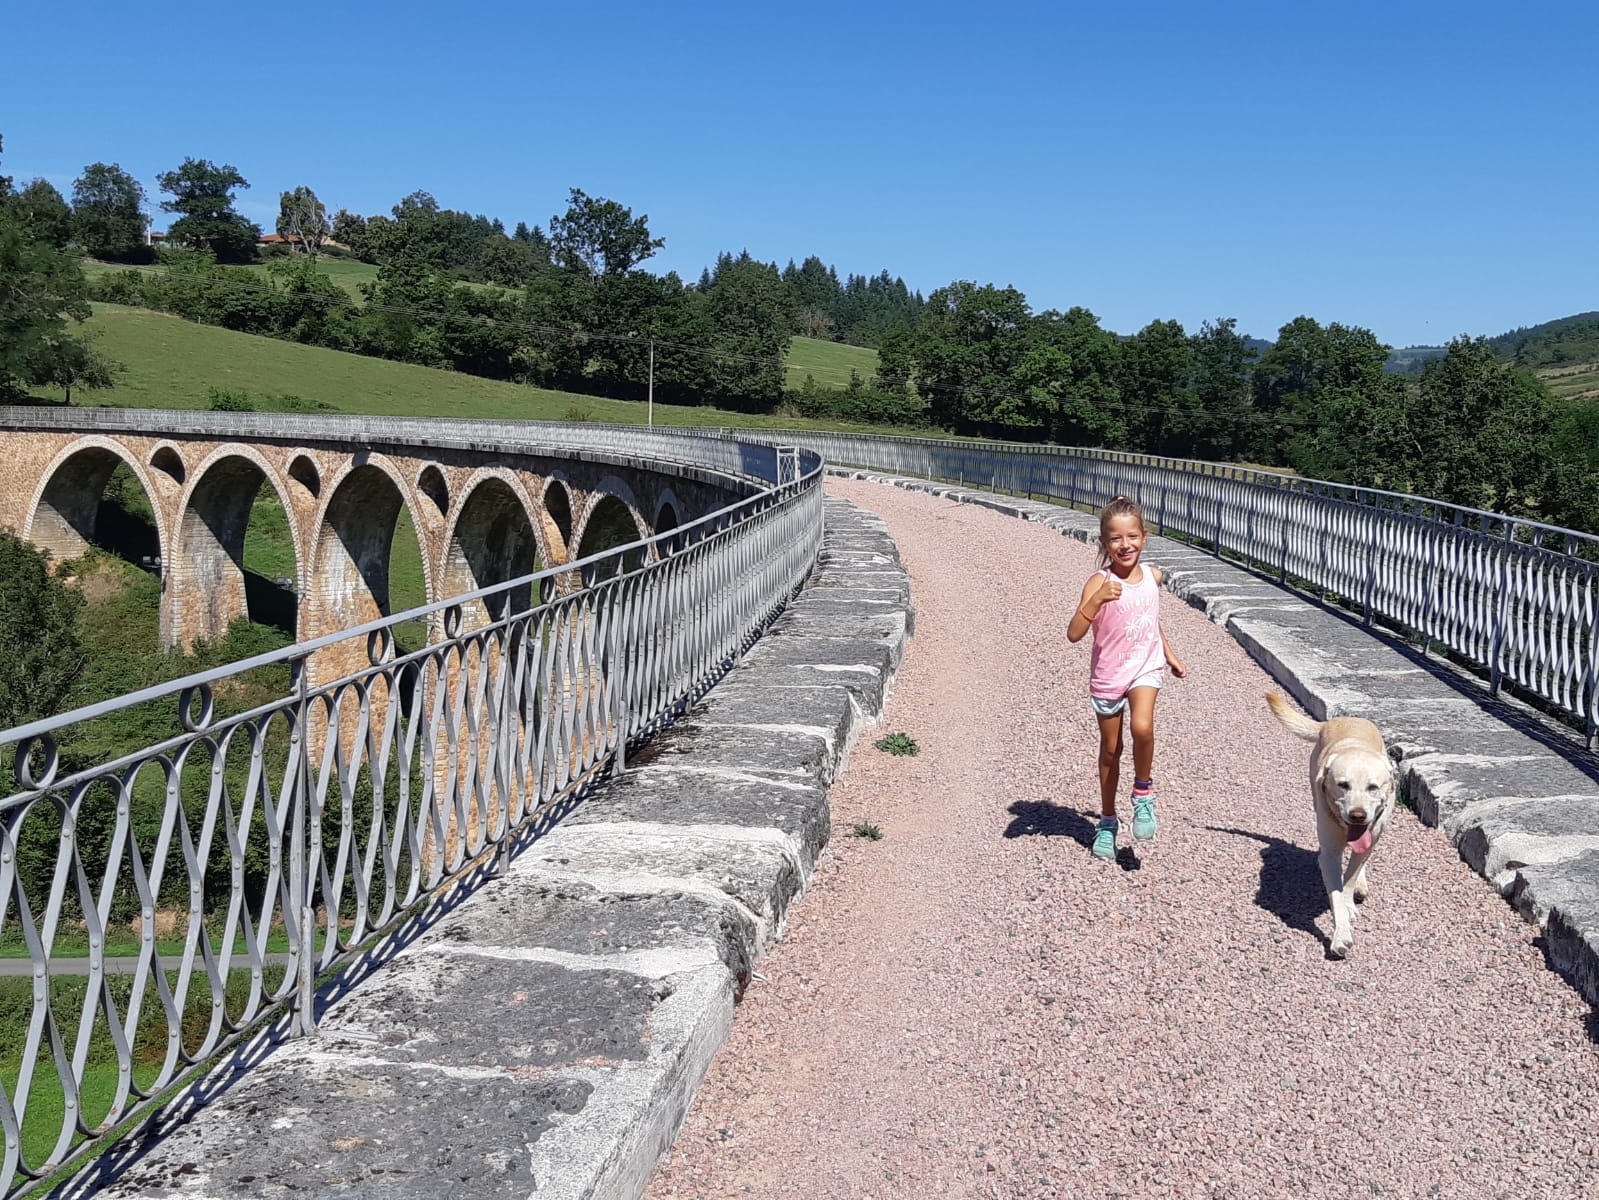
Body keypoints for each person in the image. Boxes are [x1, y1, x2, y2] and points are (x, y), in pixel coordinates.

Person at [1067, 496, 1188, 860]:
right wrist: (1097, 601)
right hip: (1108, 675)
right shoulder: (1098, 583)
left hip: (1144, 668)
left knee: (1143, 727)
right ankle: (1107, 821)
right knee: (1110, 750)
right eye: (1116, 539)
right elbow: (1073, 633)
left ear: (1144, 537)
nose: (1125, 545)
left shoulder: (1153, 576)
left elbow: (1150, 620)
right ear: (1105, 544)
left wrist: (1169, 654)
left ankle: (1143, 794)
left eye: (1132, 536)